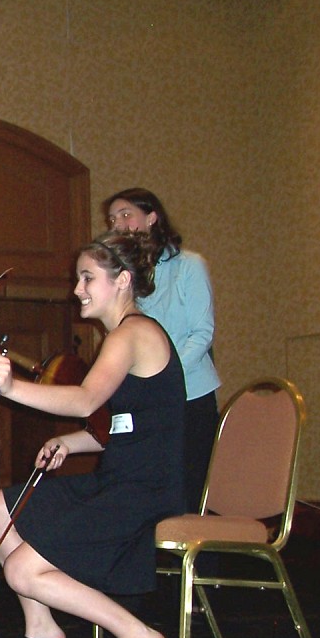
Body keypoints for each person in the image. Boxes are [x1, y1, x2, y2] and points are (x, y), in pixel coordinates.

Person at [0, 231, 183, 638]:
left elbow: (87, 398)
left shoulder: (135, 332)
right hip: (120, 478)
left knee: (23, 570)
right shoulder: (124, 336)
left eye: (87, 278)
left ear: (123, 280)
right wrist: (72, 442)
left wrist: (10, 388)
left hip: (144, 490)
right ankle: (41, 628)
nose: (77, 289)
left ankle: (139, 635)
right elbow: (128, 427)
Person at [104, 188, 220, 514]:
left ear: (152, 217)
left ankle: (197, 561)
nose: (118, 224)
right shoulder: (127, 278)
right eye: (113, 219)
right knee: (152, 485)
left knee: (190, 485)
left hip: (191, 396)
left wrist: (164, 378)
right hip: (150, 402)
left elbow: (202, 333)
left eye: (126, 214)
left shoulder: (189, 265)